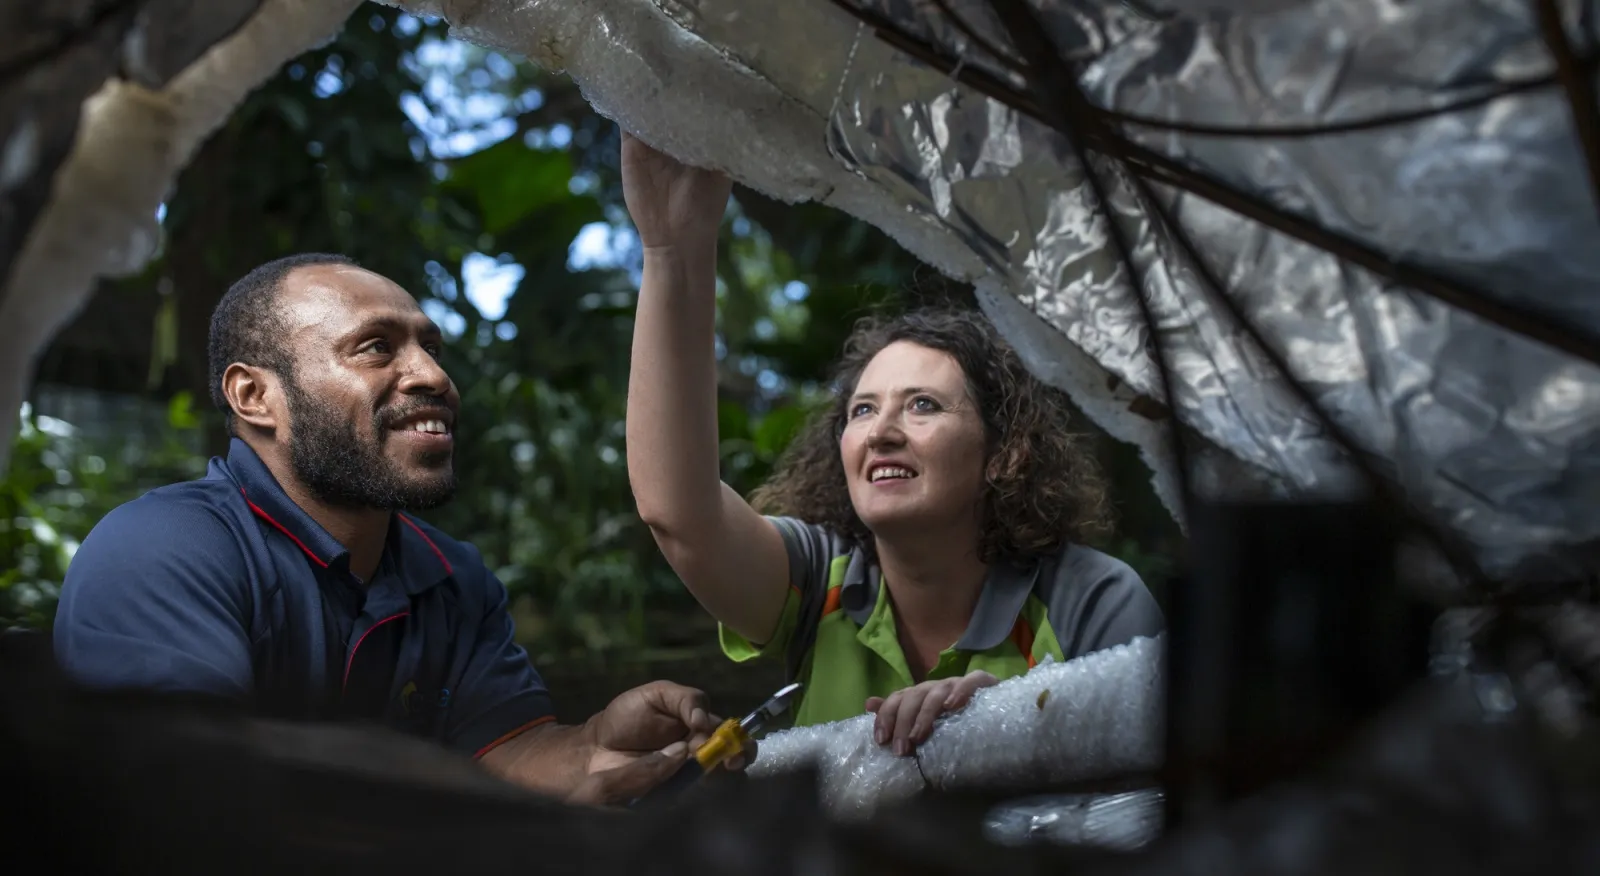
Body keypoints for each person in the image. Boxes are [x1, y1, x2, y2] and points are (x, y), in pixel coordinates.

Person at [52, 253, 743, 806]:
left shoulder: (451, 576)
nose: (434, 376)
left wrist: (594, 747)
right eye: (376, 349)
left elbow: (503, 754)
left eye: (432, 348)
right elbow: (198, 809)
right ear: (255, 396)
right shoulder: (161, 552)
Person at [621, 133, 1165, 757]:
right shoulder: (814, 584)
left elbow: (1157, 802)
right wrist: (671, 245)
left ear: (1005, 452)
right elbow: (679, 514)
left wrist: (1005, 724)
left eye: (923, 406)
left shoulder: (1092, 601)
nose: (881, 431)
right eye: (862, 410)